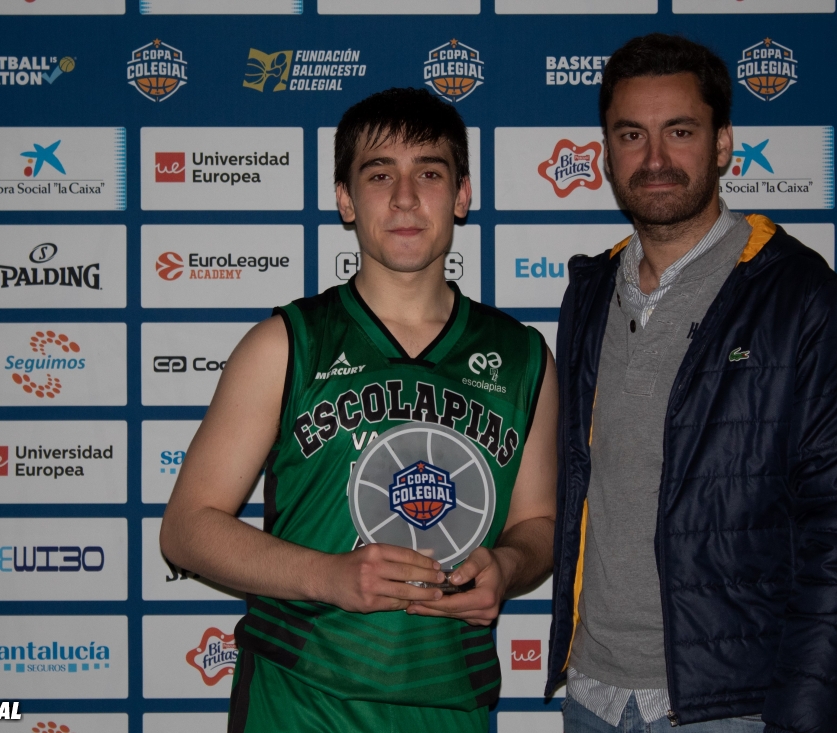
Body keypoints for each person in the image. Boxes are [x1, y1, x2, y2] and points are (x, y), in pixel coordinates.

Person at [161, 87, 558, 733]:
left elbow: (539, 522)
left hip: (449, 706)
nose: (404, 197)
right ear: (345, 199)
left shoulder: (523, 356)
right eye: (379, 175)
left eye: (429, 173)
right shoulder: (286, 343)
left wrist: (508, 567)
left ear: (461, 194)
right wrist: (328, 576)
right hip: (300, 704)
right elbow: (185, 529)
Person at [548, 34, 837, 733]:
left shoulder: (801, 297)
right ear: (606, 154)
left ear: (723, 143)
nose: (655, 159)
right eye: (631, 135)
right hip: (593, 697)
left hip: (733, 707)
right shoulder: (589, 292)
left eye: (680, 132)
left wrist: (803, 716)